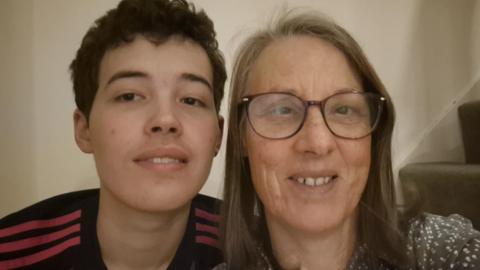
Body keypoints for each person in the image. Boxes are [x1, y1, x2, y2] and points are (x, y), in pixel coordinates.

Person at [220, 10, 480, 270]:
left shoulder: (441, 252)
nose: (318, 143)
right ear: (241, 136)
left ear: (373, 134)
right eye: (282, 110)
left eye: (343, 110)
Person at [0, 0, 226, 269]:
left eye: (191, 100)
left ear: (218, 135)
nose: (166, 120)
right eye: (129, 96)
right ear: (84, 130)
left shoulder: (254, 250)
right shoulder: (11, 254)